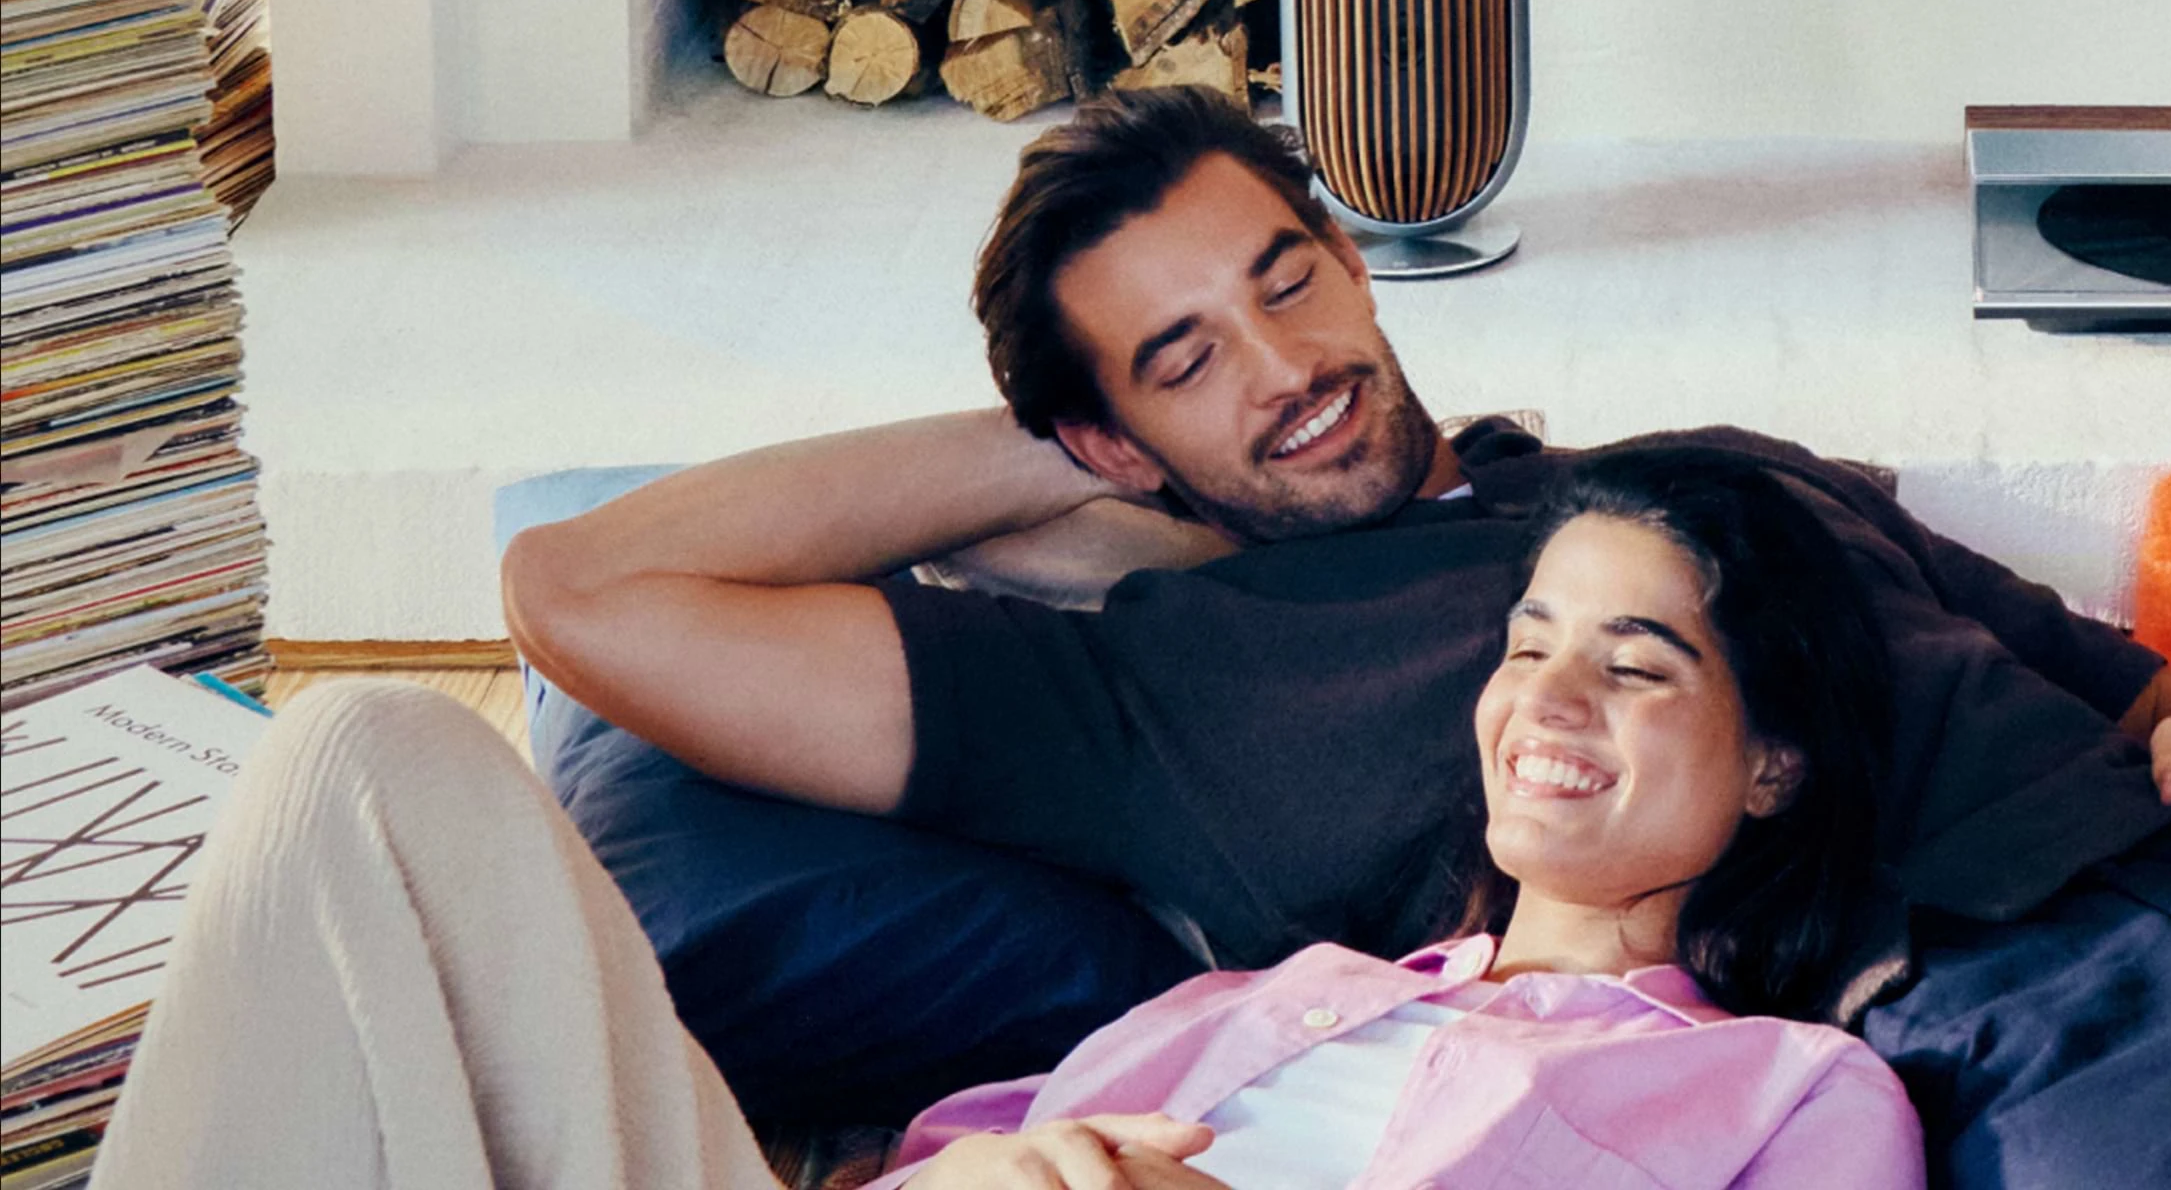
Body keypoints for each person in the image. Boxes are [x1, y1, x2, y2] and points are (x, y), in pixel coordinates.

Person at [505, 90, 2171, 1186]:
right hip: (1971, 1013)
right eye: (1189, 358)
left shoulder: (1690, 460)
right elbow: (579, 591)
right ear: (1114, 441)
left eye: (1288, 271)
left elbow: (2046, 643)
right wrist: (1055, 454)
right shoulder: (1139, 707)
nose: (1293, 361)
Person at [94, 452, 1926, 1190]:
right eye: (1528, 645)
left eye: (1637, 665)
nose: (1548, 703)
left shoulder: (1793, 1096)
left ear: (1773, 763)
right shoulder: (1252, 999)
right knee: (368, 757)